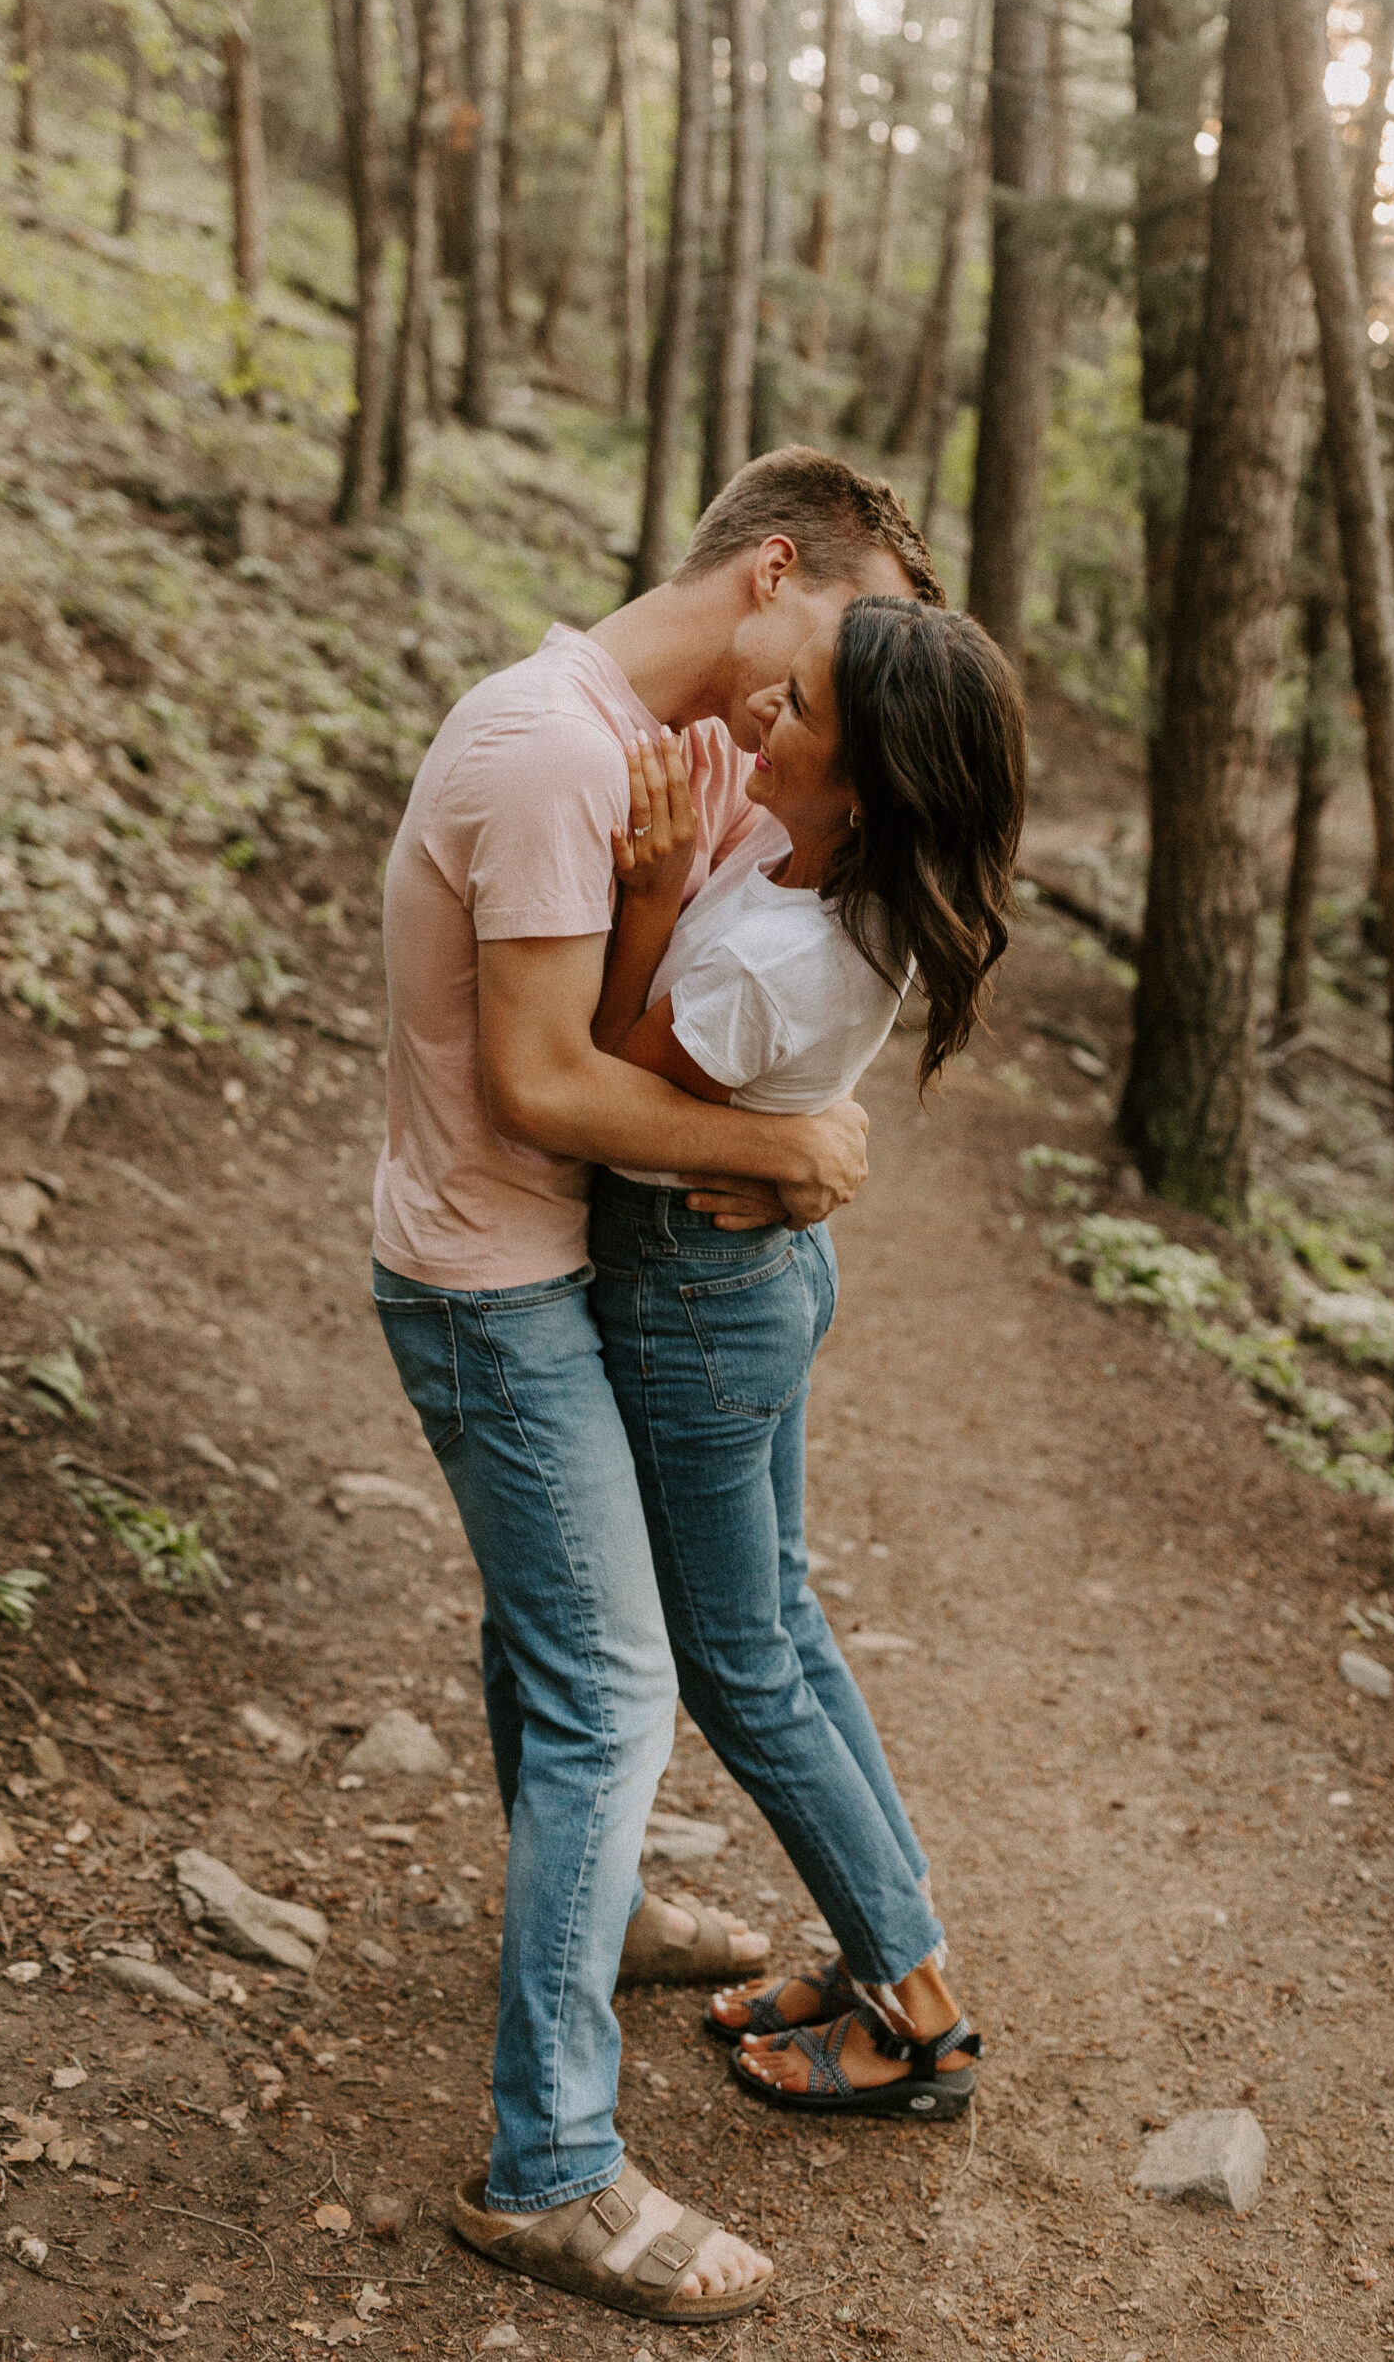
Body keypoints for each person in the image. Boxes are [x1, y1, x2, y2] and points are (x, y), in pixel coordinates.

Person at [370, 450, 941, 2326]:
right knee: (620, 1690)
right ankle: (549, 2168)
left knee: (556, 1638)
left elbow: (735, 994)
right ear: (774, 569)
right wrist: (796, 1149)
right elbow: (547, 1082)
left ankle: (599, 1915)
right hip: (499, 1284)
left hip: (563, 1272)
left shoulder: (668, 747)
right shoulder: (552, 749)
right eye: (843, 637)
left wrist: (794, 1142)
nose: (834, 692)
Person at [587, 594, 1026, 2118]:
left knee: (741, 1666)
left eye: (808, 707)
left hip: (693, 1295)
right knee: (782, 1620)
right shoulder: (845, 882)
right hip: (759, 1274)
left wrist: (652, 899)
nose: (770, 704)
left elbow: (606, 1080)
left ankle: (919, 2014)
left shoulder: (774, 962)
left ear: (867, 790)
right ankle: (879, 1943)